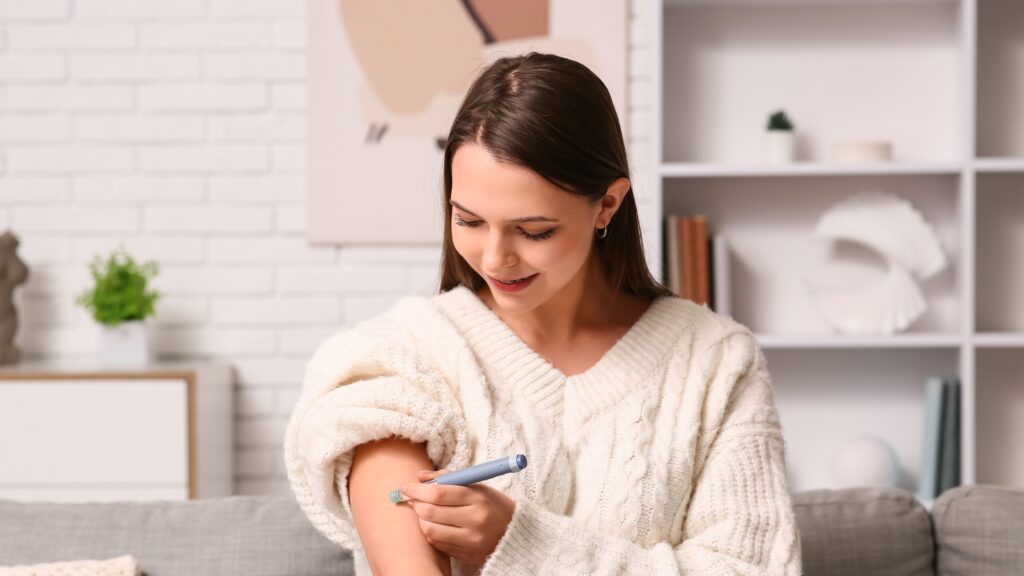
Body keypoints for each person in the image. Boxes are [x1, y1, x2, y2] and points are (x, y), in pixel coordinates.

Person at [285, 52, 802, 575]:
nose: (494, 258)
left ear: (607, 205)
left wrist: (522, 543)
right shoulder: (402, 360)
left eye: (534, 231)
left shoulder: (715, 364)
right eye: (468, 220)